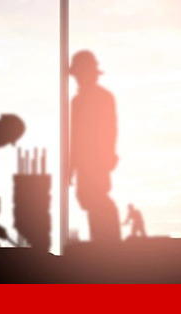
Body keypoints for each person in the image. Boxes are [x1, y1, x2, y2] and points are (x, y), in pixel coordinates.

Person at [69, 50, 121, 242]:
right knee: (88, 200)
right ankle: (102, 244)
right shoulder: (77, 101)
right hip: (84, 162)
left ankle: (108, 245)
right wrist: (71, 166)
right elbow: (74, 136)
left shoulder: (102, 97)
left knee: (96, 199)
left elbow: (109, 130)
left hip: (97, 160)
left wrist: (106, 157)